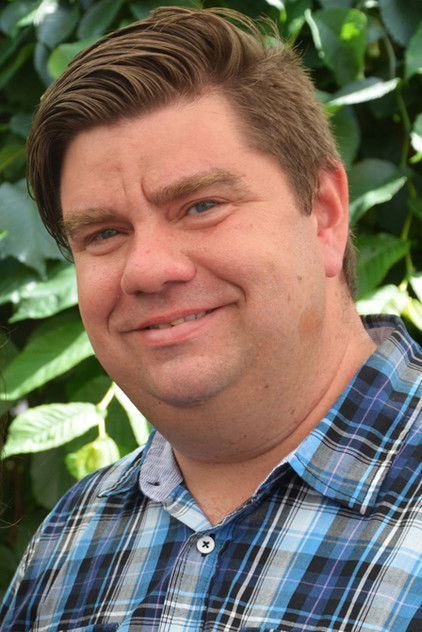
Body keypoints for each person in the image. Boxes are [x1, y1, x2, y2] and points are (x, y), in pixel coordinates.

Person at [1, 7, 421, 631]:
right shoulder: (68, 545)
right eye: (104, 233)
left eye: (201, 205)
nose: (148, 269)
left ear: (325, 214)